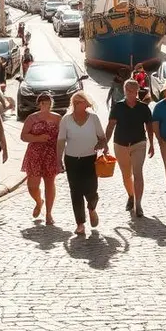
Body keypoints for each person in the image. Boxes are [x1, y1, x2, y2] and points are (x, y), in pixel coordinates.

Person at [56, 91, 107, 235]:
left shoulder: (93, 118)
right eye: (76, 102)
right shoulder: (66, 119)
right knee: (75, 192)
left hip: (90, 158)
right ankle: (80, 223)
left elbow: (102, 137)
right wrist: (58, 160)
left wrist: (101, 144)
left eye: (81, 102)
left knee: (91, 189)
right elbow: (60, 141)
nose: (79, 104)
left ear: (86, 103)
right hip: (72, 159)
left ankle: (91, 208)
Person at [105, 79, 156, 218]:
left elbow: (149, 127)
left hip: (138, 143)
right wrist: (105, 143)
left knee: (138, 172)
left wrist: (151, 143)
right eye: (129, 91)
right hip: (120, 144)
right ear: (125, 91)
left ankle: (138, 204)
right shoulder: (118, 107)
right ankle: (131, 195)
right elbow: (110, 126)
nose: (132, 94)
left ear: (138, 91)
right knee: (126, 175)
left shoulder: (143, 108)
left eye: (134, 92)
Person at [21, 92, 62, 225]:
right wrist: (38, 138)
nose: (45, 105)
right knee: (32, 185)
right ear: (39, 104)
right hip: (35, 154)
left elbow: (62, 137)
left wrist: (61, 155)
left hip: (51, 153)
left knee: (49, 183)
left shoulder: (58, 118)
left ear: (51, 104)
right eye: (43, 102)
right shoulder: (31, 118)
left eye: (48, 102)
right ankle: (39, 202)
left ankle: (49, 214)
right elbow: (23, 136)